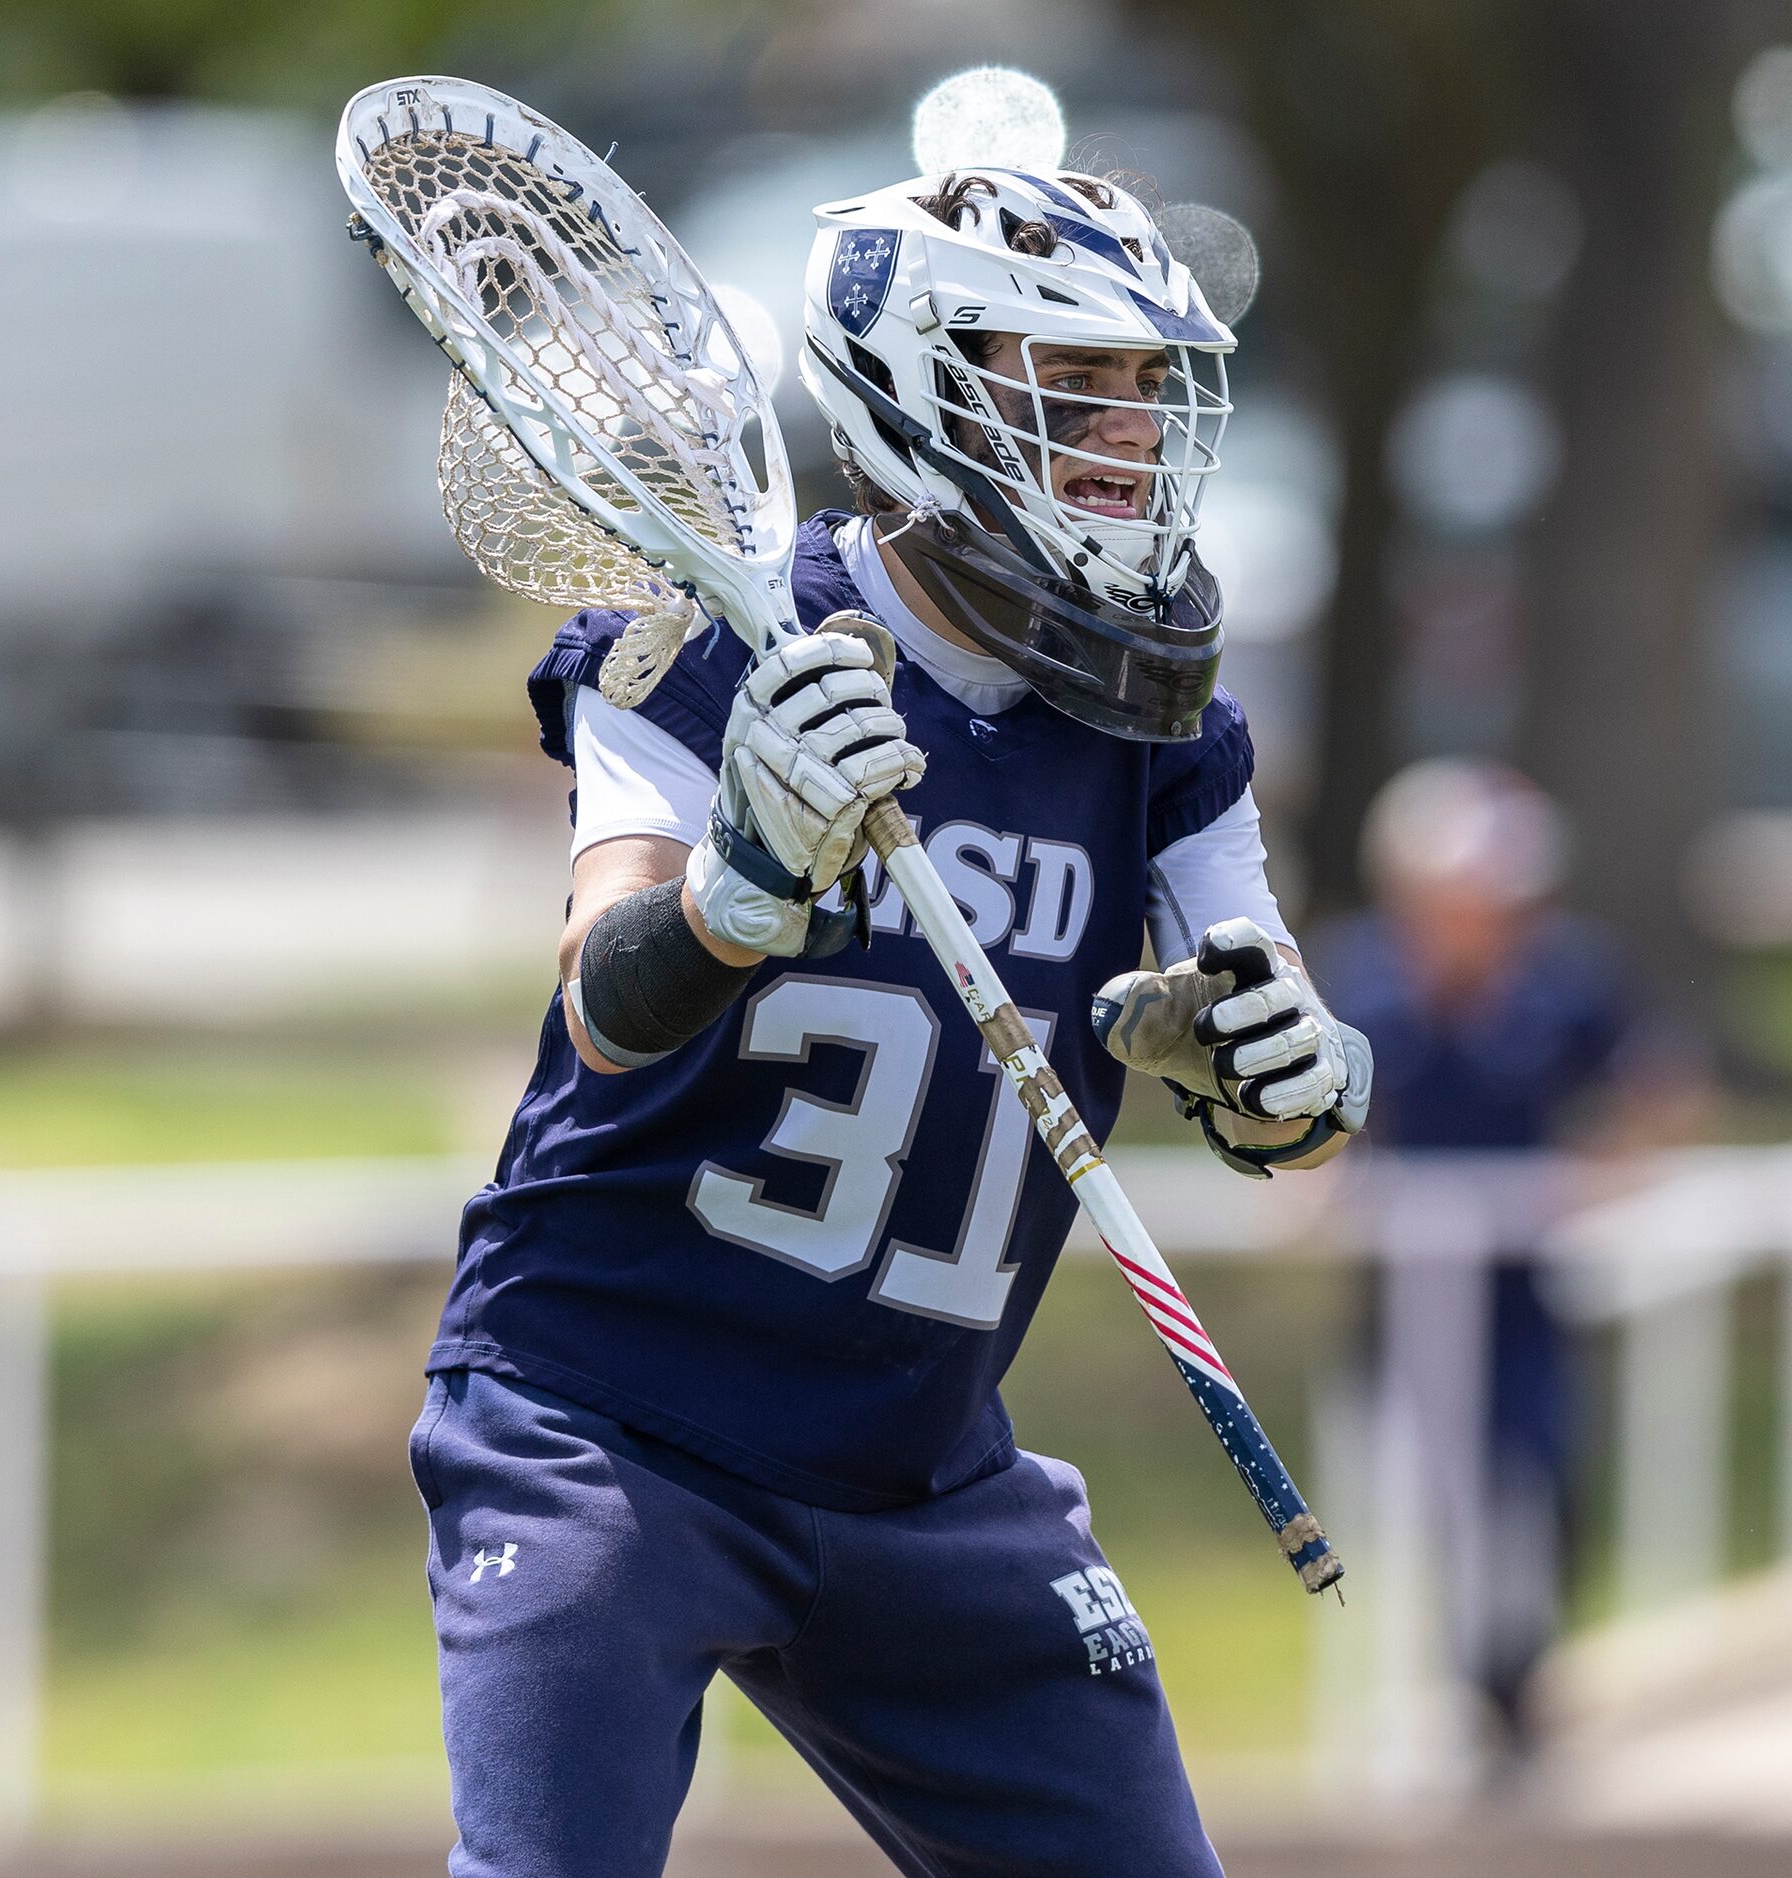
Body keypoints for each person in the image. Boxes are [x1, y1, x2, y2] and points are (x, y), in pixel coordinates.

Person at [409, 167, 1373, 1877]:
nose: (1125, 432)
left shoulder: (1161, 725)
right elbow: (606, 1004)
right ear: (917, 384)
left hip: (926, 1466)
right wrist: (741, 884)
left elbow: (1251, 1025)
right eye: (1069, 383)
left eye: (1149, 388)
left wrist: (1271, 1060)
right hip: (613, 1428)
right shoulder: (699, 646)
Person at [1316, 758, 1691, 1767]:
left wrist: (1599, 1173)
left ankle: (1521, 1683)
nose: (1490, 916)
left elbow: (1655, 1091)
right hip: (1400, 1294)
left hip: (1525, 1295)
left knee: (1546, 1483)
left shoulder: (1568, 977)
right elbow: (1313, 1127)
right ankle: (1464, 1692)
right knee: (1425, 1497)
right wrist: (1324, 1186)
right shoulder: (1359, 981)